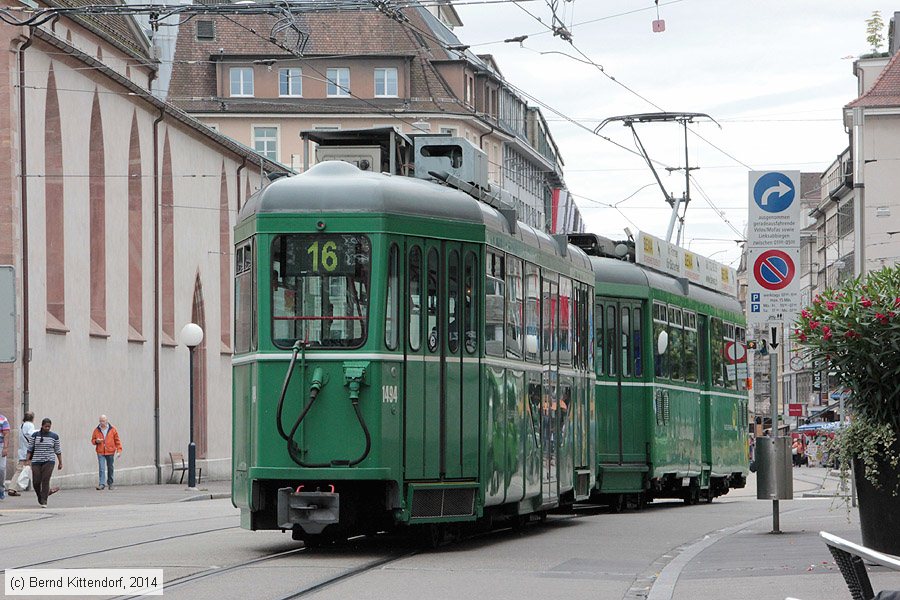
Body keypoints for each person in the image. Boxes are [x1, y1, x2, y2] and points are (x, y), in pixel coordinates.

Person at [26, 418, 62, 507]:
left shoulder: (54, 436)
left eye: (49, 427)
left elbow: (57, 450)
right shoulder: (35, 435)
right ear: (42, 426)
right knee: (36, 482)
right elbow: (30, 449)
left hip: (49, 461)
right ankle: (40, 496)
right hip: (36, 461)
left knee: (45, 480)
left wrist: (60, 462)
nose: (47, 428)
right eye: (46, 426)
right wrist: (27, 461)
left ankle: (44, 500)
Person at [7, 411, 35, 496]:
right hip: (28, 452)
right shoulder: (30, 425)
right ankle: (42, 488)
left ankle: (12, 488)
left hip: (22, 450)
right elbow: (31, 435)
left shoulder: (21, 426)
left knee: (19, 470)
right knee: (38, 469)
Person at [91, 415, 122, 490]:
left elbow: (117, 440)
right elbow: (92, 440)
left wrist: (119, 450)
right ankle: (101, 484)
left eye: (103, 421)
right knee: (101, 468)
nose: (102, 422)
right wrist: (96, 441)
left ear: (107, 421)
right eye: (100, 421)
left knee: (110, 467)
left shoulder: (113, 430)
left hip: (110, 451)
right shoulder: (96, 430)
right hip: (100, 451)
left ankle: (110, 483)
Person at [0, 412, 9, 500]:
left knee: (1, 468)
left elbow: (6, 434)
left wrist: (5, 448)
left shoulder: (3, 419)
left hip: (1, 445)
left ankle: (1, 488)